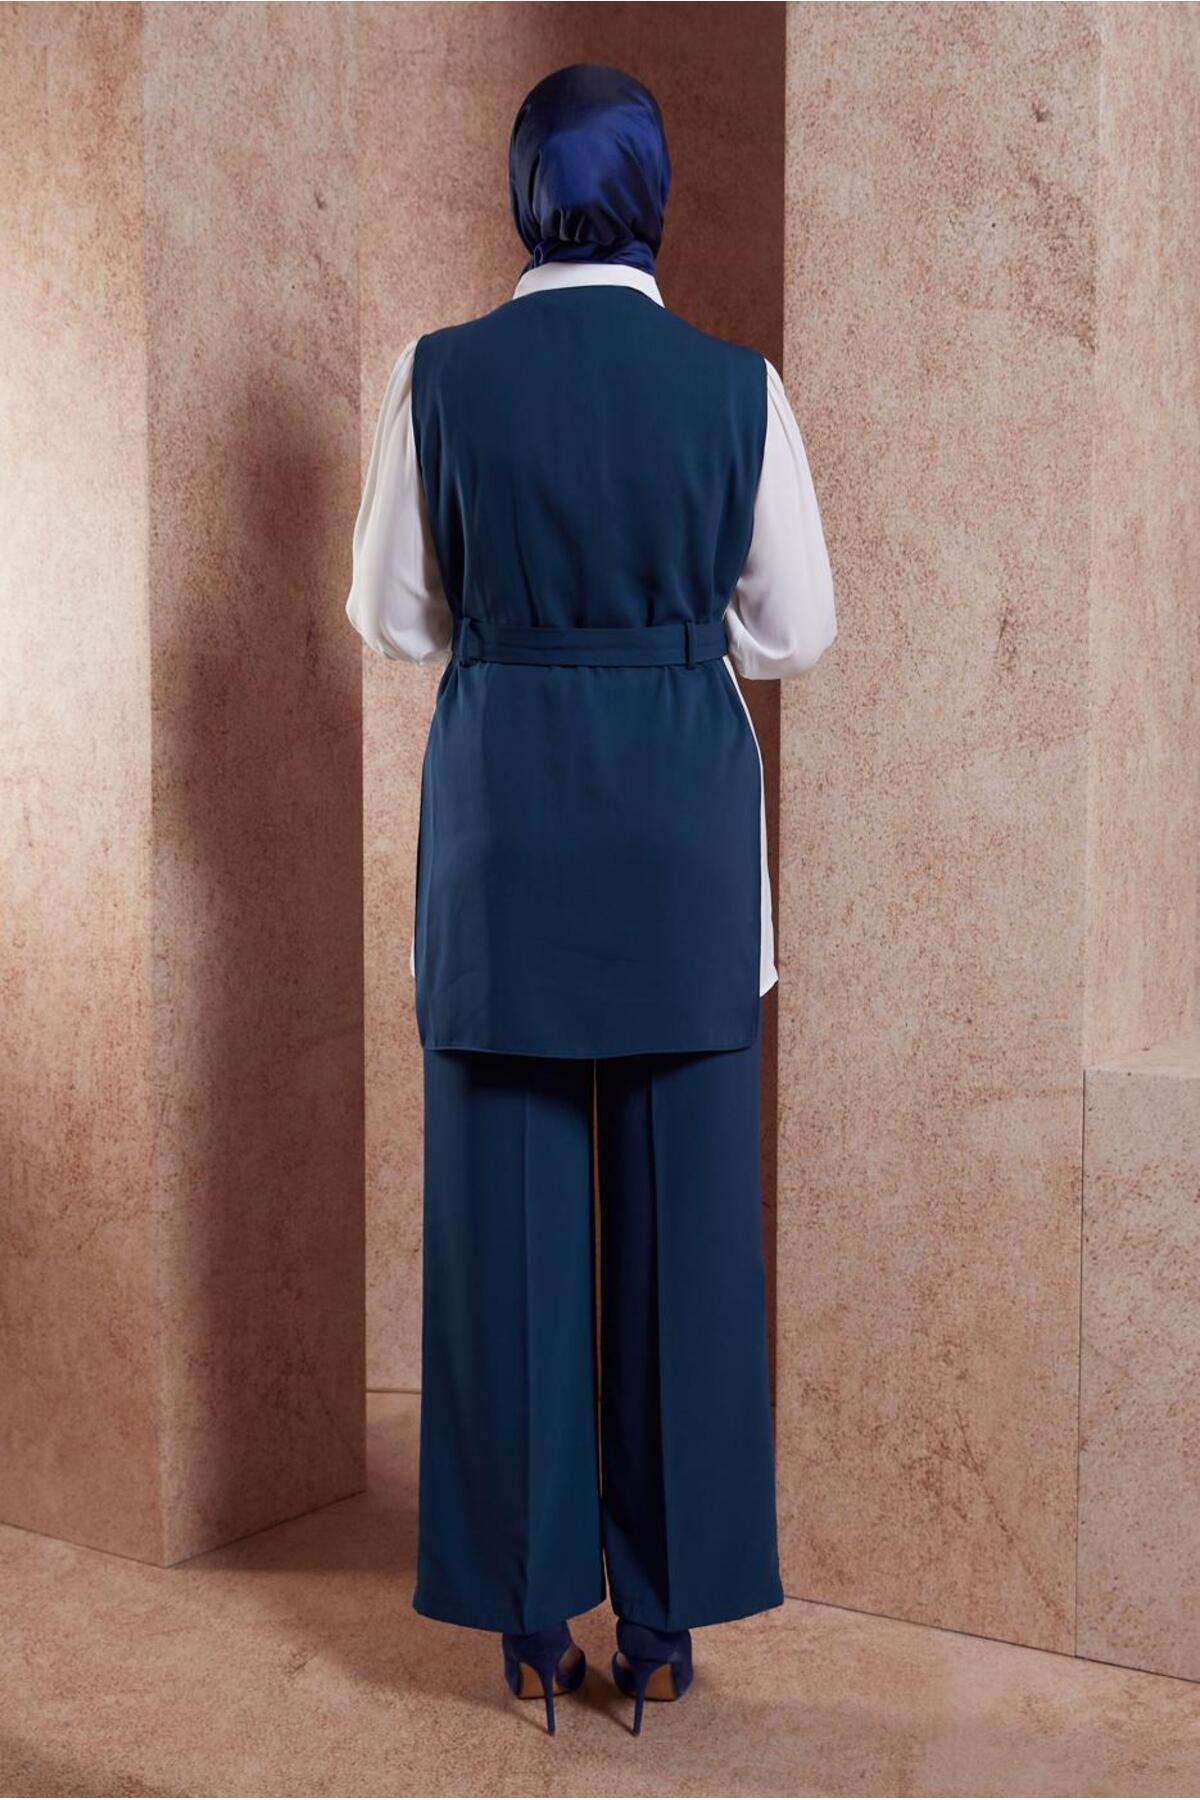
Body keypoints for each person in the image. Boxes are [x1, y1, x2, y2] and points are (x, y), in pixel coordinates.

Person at [345, 62, 835, 1738]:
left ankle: (527, 1621)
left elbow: (394, 618)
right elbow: (795, 630)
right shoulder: (735, 387)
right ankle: (668, 1624)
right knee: (685, 1236)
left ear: (520, 195)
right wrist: (670, 627)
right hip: (681, 844)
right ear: (657, 200)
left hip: (506, 835)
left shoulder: (439, 377)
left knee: (508, 1232)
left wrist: (523, 620)